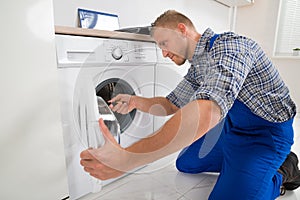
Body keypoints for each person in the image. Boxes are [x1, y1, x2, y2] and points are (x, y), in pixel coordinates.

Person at [80, 10, 300, 199]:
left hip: (266, 136)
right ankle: (242, 167)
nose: (164, 53)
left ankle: (283, 170)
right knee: (186, 164)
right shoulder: (198, 68)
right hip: (233, 129)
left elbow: (208, 111)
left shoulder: (231, 48)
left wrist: (128, 158)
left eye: (164, 43)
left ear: (182, 30)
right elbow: (171, 104)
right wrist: (135, 101)